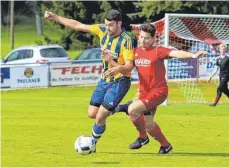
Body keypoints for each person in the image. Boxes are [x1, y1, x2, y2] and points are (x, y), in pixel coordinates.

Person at [104, 23, 207, 154]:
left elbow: (175, 53)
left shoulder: (158, 50)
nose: (143, 40)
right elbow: (126, 69)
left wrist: (192, 55)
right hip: (144, 93)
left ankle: (142, 137)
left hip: (159, 92)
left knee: (133, 109)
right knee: (148, 123)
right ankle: (165, 146)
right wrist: (111, 62)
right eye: (141, 37)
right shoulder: (135, 52)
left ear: (153, 38)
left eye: (146, 38)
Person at [44, 9, 134, 147]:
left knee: (100, 116)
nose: (107, 28)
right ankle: (122, 108)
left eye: (111, 25)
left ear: (119, 23)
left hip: (120, 81)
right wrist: (55, 17)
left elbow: (129, 67)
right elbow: (77, 25)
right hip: (105, 80)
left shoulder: (126, 40)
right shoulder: (102, 30)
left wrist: (113, 63)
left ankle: (92, 144)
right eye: (106, 24)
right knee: (92, 113)